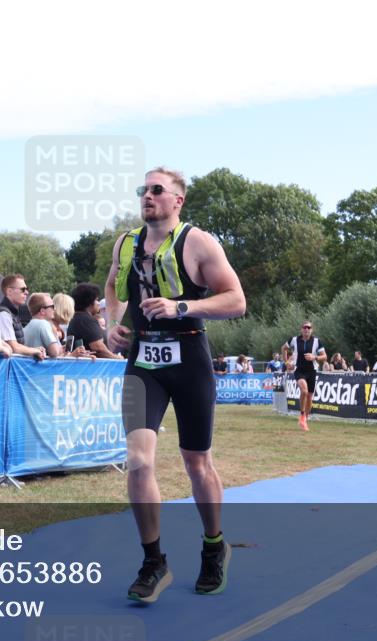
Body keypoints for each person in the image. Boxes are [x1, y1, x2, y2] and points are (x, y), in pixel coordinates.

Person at [105, 166, 246, 602]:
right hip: (143, 359)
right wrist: (111, 323)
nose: (147, 196)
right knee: (138, 460)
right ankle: (153, 562)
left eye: (156, 190)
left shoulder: (198, 242)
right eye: (143, 190)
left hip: (189, 357)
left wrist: (181, 305)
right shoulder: (126, 243)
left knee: (196, 462)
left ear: (177, 200)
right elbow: (113, 286)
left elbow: (236, 301)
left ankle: (213, 546)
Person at [282, 321, 326, 432]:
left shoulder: (316, 341)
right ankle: (301, 414)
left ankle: (305, 419)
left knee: (310, 396)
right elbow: (284, 348)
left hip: (312, 370)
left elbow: (324, 357)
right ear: (301, 329)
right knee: (304, 391)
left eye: (309, 327)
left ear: (312, 330)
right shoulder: (294, 340)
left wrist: (314, 357)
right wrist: (286, 362)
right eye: (304, 327)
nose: (306, 329)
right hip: (299, 370)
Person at [0, 274, 46, 360]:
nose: (27, 292)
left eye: (27, 289)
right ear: (9, 291)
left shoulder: (11, 313)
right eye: (23, 289)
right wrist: (34, 351)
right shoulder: (3, 314)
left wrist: (34, 350)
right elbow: (14, 348)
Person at [69, 283, 122, 359]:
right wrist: (117, 358)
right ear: (89, 302)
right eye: (97, 300)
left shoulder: (76, 318)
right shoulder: (86, 320)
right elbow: (98, 348)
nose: (98, 303)